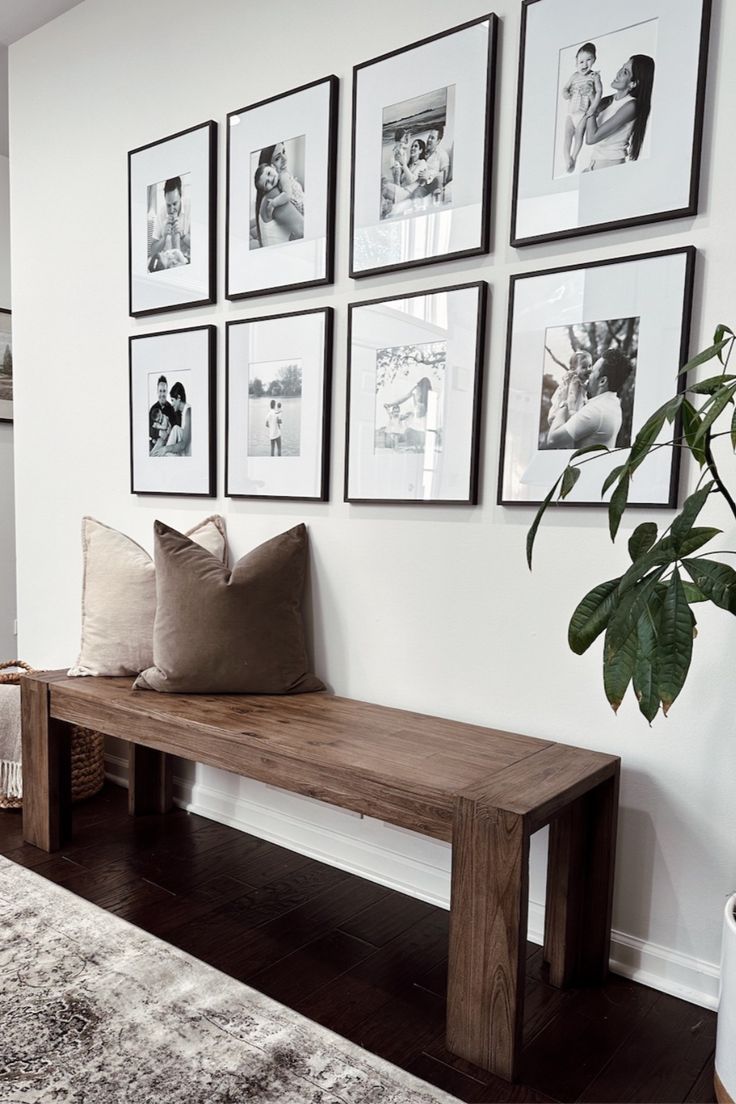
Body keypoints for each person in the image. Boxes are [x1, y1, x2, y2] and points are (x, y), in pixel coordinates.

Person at [546, 347, 632, 450]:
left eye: (592, 372)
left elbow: (552, 440)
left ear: (602, 381)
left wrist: (564, 402)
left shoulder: (596, 410)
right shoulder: (612, 403)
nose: (588, 374)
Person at [583, 54, 655, 171]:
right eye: (622, 67)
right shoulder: (608, 100)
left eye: (625, 72)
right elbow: (584, 127)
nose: (619, 72)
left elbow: (591, 138)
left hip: (610, 165)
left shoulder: (631, 106)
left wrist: (597, 96)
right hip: (595, 163)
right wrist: (592, 95)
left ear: (633, 83)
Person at [561, 43, 602, 173]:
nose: (584, 64)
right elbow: (565, 89)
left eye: (588, 60)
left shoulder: (594, 76)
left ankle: (574, 156)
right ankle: (568, 158)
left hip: (583, 113)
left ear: (594, 60)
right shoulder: (574, 76)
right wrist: (566, 94)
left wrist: (593, 107)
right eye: (581, 61)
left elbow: (599, 92)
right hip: (571, 112)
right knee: (567, 135)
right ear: (576, 62)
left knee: (578, 136)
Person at [253, 152, 304, 248]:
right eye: (266, 183)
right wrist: (273, 203)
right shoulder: (274, 195)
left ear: (272, 167)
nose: (271, 179)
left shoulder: (277, 186)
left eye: (284, 152)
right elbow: (303, 230)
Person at [149, 176, 191, 270]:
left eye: (175, 204)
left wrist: (183, 235)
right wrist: (163, 238)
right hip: (166, 265)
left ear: (181, 196)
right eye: (168, 205)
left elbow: (202, 246)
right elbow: (152, 251)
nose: (171, 210)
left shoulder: (191, 207)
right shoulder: (161, 212)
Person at [381, 138, 428, 214]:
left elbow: (412, 180)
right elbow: (400, 182)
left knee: (384, 187)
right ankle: (386, 207)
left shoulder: (422, 163)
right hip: (402, 190)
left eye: (416, 146)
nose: (412, 148)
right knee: (382, 182)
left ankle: (385, 207)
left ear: (420, 150)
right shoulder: (409, 165)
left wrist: (404, 165)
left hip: (407, 193)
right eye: (412, 146)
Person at [547, 350, 593, 426]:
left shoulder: (583, 380)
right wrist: (572, 412)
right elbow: (572, 395)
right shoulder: (574, 380)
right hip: (569, 404)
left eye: (590, 366)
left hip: (576, 403)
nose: (588, 369)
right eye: (584, 367)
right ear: (573, 369)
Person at [152, 381, 191, 456]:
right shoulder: (181, 412)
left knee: (175, 429)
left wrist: (166, 448)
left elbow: (183, 444)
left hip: (186, 453)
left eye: (173, 400)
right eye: (160, 391)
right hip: (163, 439)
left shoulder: (188, 411)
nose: (172, 404)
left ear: (179, 398)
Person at [413, 126, 450, 200]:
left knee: (416, 194)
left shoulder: (442, 154)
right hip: (415, 181)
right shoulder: (421, 152)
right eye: (429, 137)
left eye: (432, 138)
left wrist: (429, 176)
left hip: (429, 184)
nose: (429, 140)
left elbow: (445, 175)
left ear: (438, 141)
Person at [149, 375, 174, 452]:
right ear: (157, 391)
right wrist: (159, 432)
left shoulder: (171, 409)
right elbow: (148, 429)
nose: (162, 394)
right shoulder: (153, 409)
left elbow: (175, 426)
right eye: (160, 391)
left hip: (167, 442)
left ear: (167, 392)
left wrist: (169, 430)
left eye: (164, 391)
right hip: (154, 441)